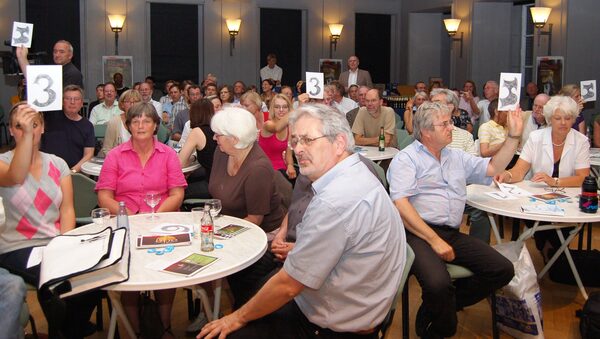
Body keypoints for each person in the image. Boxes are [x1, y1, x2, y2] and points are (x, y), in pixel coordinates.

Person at [198, 103, 405, 339]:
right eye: (295, 140)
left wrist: (236, 318)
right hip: (354, 301)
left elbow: (289, 285)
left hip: (335, 325)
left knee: (231, 329)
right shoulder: (356, 173)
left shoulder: (335, 201)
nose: (298, 149)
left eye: (308, 140)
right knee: (254, 291)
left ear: (338, 143)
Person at [388, 101, 517, 338]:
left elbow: (493, 167)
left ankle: (438, 307)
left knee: (502, 270)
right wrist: (434, 240)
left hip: (451, 233)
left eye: (451, 122)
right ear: (426, 131)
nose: (452, 128)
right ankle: (438, 327)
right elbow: (401, 205)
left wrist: (514, 136)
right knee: (438, 284)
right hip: (416, 233)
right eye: (445, 124)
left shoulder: (456, 156)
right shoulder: (406, 159)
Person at [0, 102, 96, 338]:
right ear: (11, 131)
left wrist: (63, 244)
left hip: (53, 244)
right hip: (16, 247)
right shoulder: (3, 162)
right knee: (55, 281)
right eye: (20, 127)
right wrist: (26, 137)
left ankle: (68, 330)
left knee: (93, 278)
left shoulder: (58, 164)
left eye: (34, 125)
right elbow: (16, 175)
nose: (29, 132)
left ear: (43, 128)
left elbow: (66, 210)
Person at [96, 102, 186, 338]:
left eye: (146, 120)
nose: (141, 125)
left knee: (167, 273)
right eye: (135, 121)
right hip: (125, 223)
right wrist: (132, 217)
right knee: (130, 275)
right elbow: (104, 196)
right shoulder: (115, 156)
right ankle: (134, 332)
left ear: (156, 125)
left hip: (162, 221)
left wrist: (154, 215)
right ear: (128, 126)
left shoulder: (168, 155)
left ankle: (165, 327)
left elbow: (177, 194)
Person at [208, 107, 286, 307]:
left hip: (263, 236)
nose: (214, 137)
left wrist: (217, 235)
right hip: (230, 227)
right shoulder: (221, 152)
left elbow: (254, 220)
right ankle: (211, 308)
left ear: (234, 139)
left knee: (224, 266)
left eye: (219, 134)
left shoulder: (257, 168)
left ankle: (234, 313)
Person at [495, 96, 590, 260]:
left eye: (568, 118)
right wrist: (506, 175)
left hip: (569, 199)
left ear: (574, 119)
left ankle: (551, 253)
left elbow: (583, 178)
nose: (563, 123)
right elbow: (519, 170)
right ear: (549, 119)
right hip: (536, 199)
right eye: (557, 118)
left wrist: (554, 182)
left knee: (570, 223)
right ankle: (552, 254)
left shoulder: (581, 141)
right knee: (537, 220)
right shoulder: (536, 137)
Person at [41, 85, 95, 172]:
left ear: (81, 103)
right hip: (47, 171)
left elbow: (89, 154)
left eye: (76, 99)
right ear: (62, 102)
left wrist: (72, 171)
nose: (72, 102)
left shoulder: (87, 126)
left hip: (74, 173)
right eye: (68, 98)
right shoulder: (51, 116)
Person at [178, 99, 217, 199]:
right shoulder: (216, 128)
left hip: (211, 184)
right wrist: (194, 157)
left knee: (175, 192)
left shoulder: (197, 132)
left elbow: (180, 163)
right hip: (220, 181)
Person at [258, 94, 296, 181]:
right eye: (277, 107)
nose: (281, 110)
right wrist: (294, 111)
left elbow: (288, 153)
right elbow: (277, 128)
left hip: (283, 172)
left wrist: (290, 166)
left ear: (288, 109)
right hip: (266, 171)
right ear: (273, 109)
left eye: (285, 107)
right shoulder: (268, 124)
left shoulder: (290, 127)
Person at [16, 40, 83, 88]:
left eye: (61, 52)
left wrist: (35, 85)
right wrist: (21, 57)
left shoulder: (73, 73)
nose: (57, 55)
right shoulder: (53, 70)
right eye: (55, 51)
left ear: (70, 55)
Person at [101, 89, 142, 156]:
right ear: (122, 104)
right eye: (128, 101)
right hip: (119, 161)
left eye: (135, 101)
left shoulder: (147, 121)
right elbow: (107, 149)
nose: (132, 105)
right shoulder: (114, 122)